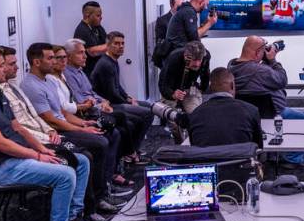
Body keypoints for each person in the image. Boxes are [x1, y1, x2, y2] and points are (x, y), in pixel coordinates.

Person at [0, 45, 95, 221]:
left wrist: (43, 149)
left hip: (21, 157)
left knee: (81, 161)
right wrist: (36, 155)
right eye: (1, 65)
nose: (5, 69)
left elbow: (20, 129)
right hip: (5, 167)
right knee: (65, 174)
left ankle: (74, 216)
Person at [0, 45, 127, 220]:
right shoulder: (27, 86)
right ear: (37, 62)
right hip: (50, 133)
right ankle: (91, 205)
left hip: (50, 131)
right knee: (93, 148)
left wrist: (83, 124)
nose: (57, 62)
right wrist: (76, 129)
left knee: (111, 132)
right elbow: (45, 120)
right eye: (51, 58)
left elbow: (58, 113)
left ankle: (104, 187)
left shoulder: (39, 83)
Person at [63, 38, 142, 181]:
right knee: (121, 127)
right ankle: (118, 167)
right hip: (88, 113)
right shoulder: (68, 75)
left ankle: (120, 165)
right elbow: (81, 100)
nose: (85, 56)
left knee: (130, 123)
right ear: (69, 56)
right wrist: (101, 105)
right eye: (80, 53)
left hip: (98, 107)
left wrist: (103, 101)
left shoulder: (80, 71)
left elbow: (91, 93)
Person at [90, 31, 154, 164]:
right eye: (116, 43)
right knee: (147, 113)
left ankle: (133, 149)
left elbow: (118, 86)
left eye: (123, 43)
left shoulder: (113, 61)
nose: (121, 46)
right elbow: (111, 94)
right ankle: (131, 153)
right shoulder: (105, 64)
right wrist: (128, 102)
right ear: (108, 45)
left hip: (116, 101)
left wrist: (129, 98)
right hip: (109, 105)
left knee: (148, 107)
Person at [228, 36, 304, 120]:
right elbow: (282, 80)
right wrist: (272, 60)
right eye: (263, 51)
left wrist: (265, 60)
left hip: (245, 114)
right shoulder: (261, 71)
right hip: (274, 113)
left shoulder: (231, 66)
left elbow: (253, 71)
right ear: (257, 52)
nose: (264, 53)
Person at [187, 68, 263, 148]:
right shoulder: (251, 111)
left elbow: (194, 146)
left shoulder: (195, 114)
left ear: (211, 88)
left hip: (206, 160)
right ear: (232, 86)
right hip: (240, 160)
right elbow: (258, 149)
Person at [158, 40, 209, 113]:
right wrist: (172, 94)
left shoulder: (205, 56)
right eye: (194, 60)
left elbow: (205, 76)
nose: (197, 64)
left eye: (199, 60)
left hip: (190, 88)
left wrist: (202, 89)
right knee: (174, 117)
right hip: (172, 89)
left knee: (195, 114)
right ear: (186, 57)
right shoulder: (173, 58)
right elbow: (164, 85)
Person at [72, 1, 107, 75]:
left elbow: (106, 41)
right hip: (89, 72)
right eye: (98, 15)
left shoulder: (98, 27)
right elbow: (92, 51)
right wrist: (112, 45)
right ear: (87, 15)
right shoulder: (81, 30)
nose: (101, 18)